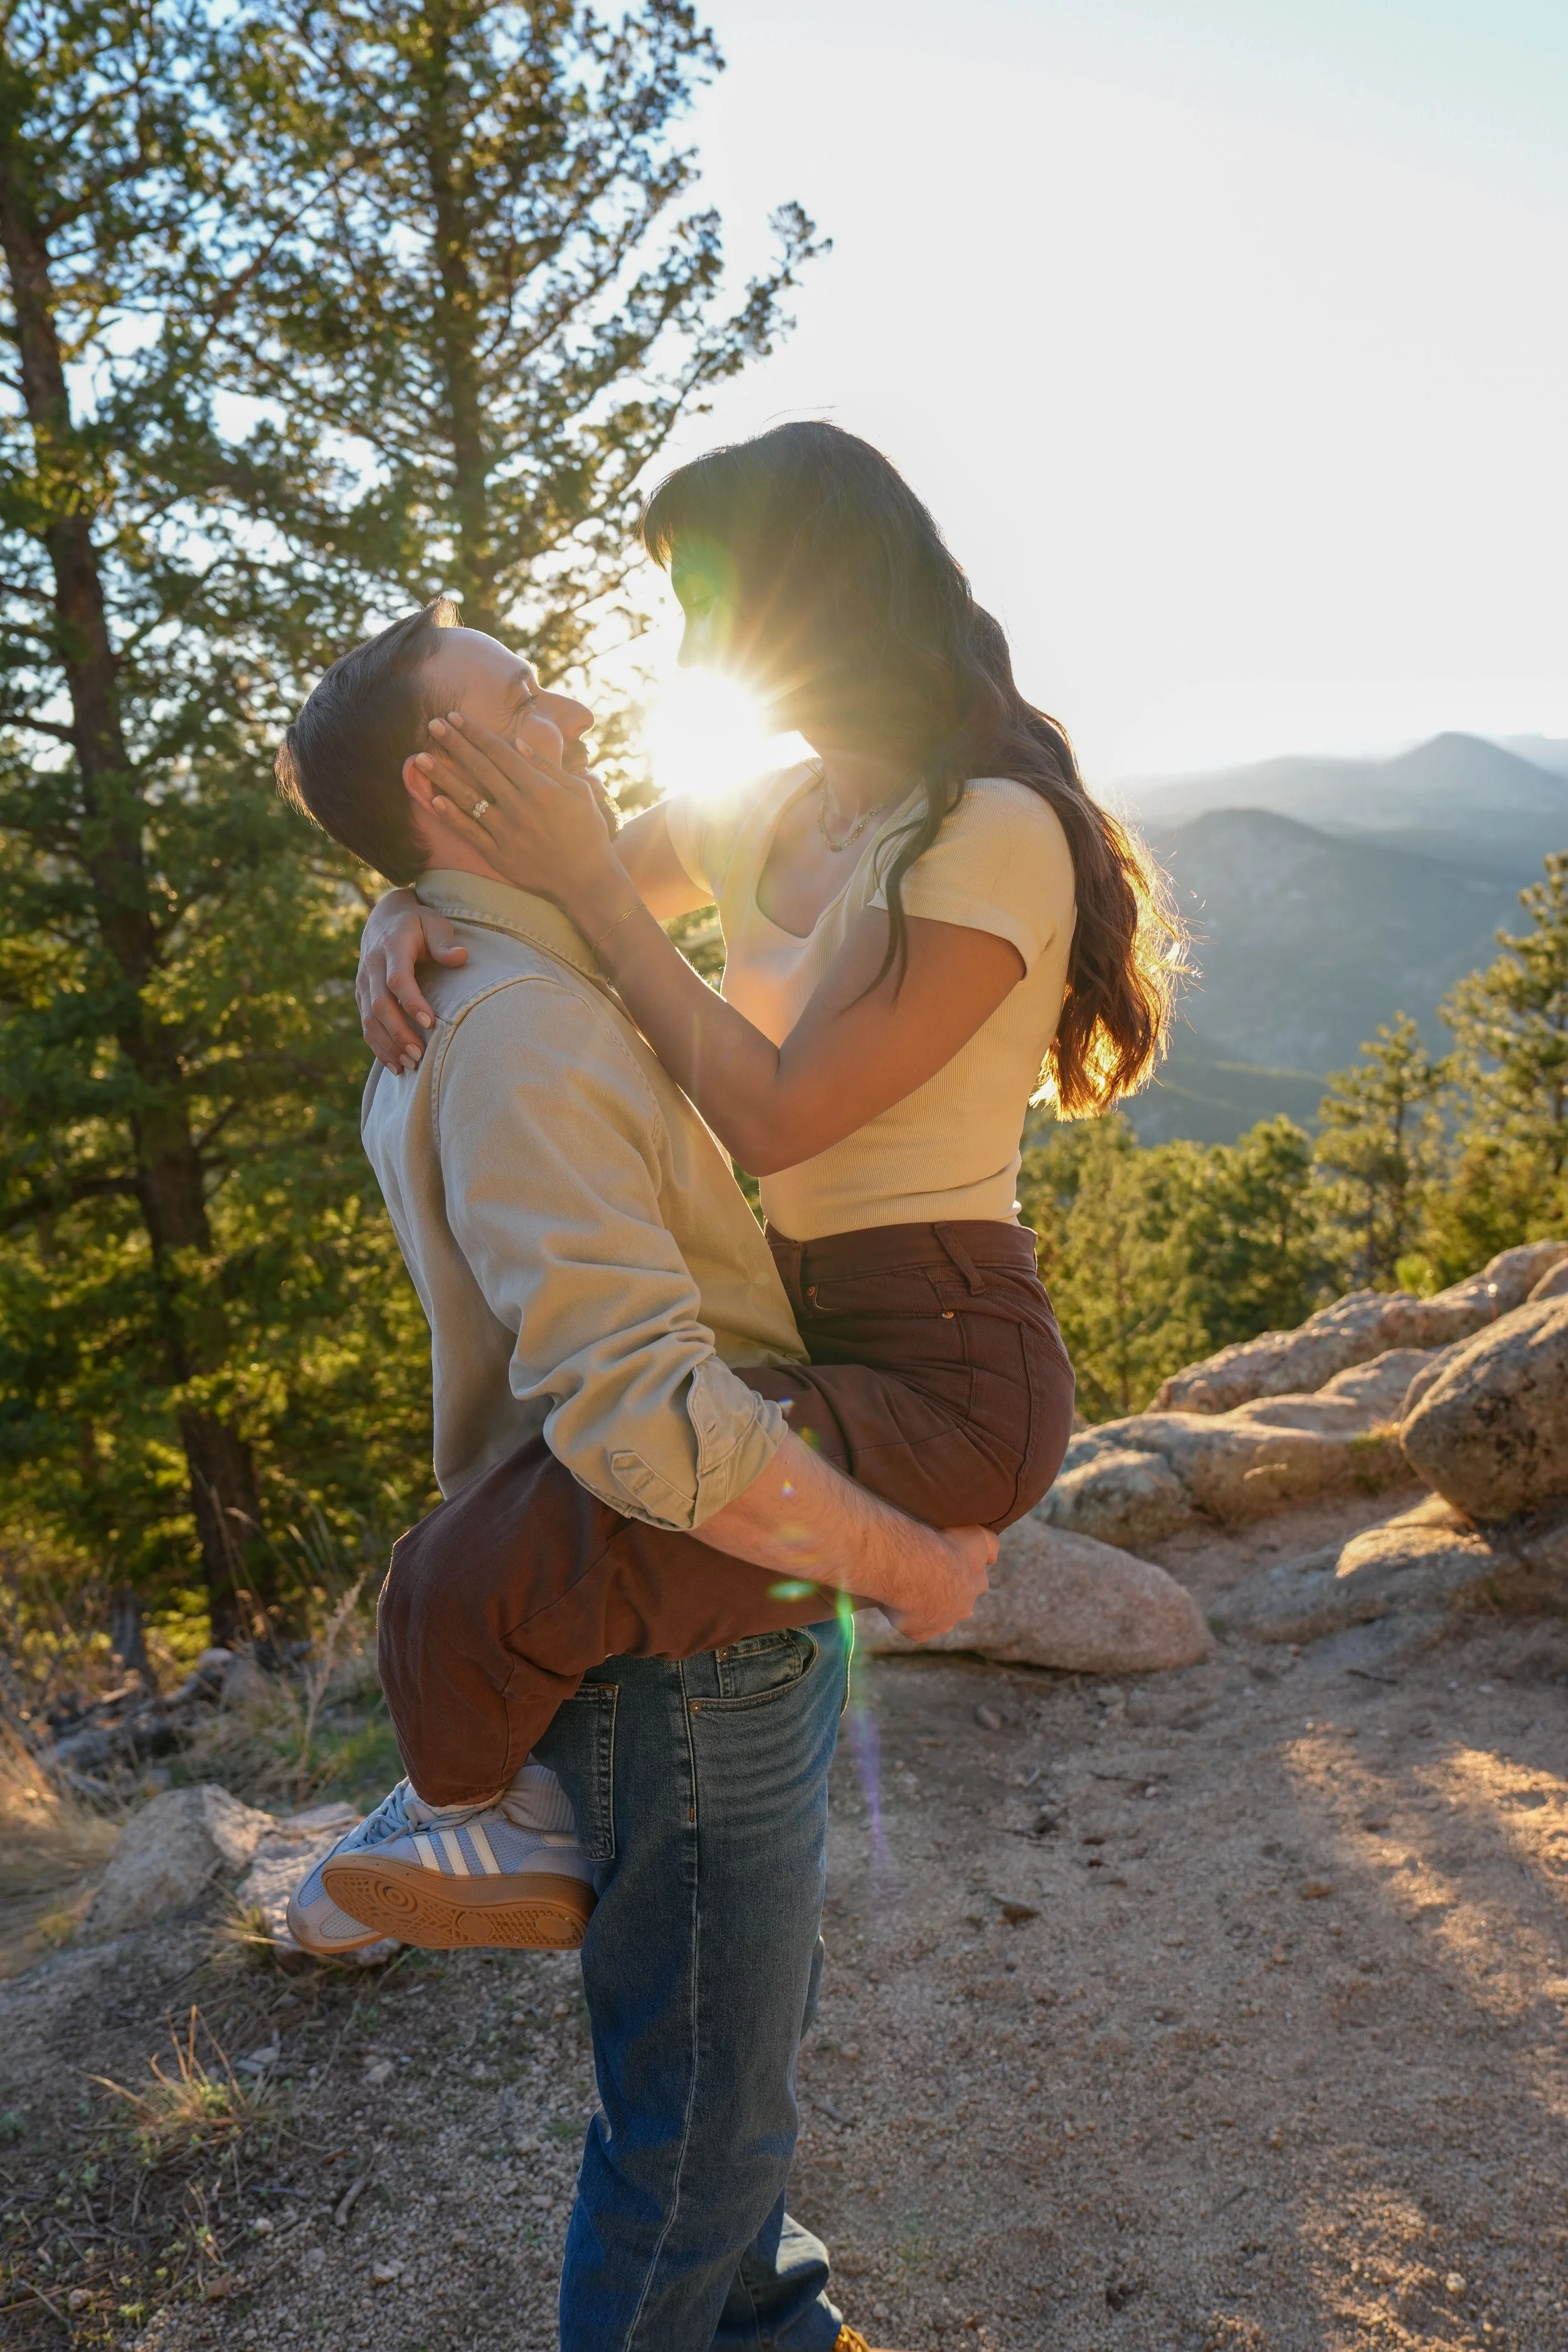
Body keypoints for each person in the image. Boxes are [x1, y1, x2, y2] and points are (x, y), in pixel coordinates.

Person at [273, 594, 999, 2352]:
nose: (579, 705)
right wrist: (898, 1562)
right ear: (453, 782)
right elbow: (643, 1417)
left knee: (722, 2039)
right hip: (679, 1623)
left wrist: (403, 893)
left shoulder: (486, 960)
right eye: (528, 701)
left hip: (658, 1590)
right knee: (697, 2116)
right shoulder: (515, 1025)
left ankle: (770, 2322)